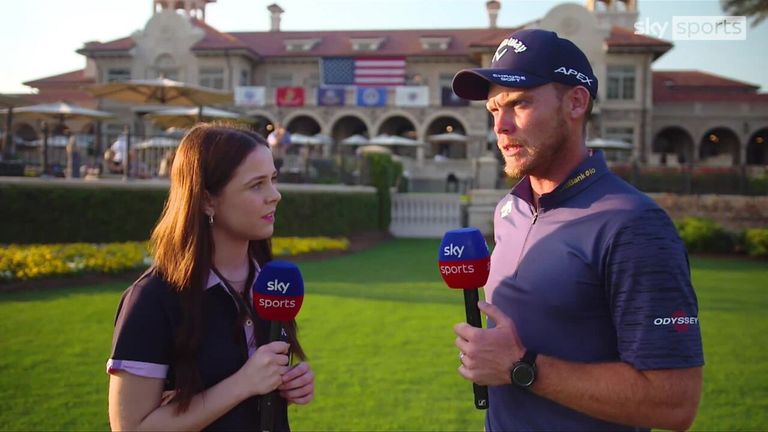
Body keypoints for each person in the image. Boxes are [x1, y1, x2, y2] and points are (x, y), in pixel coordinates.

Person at [450, 29, 703, 431]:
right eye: (494, 110)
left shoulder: (634, 224)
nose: (501, 126)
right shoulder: (508, 210)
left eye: (519, 104)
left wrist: (521, 366)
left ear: (575, 102)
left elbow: (674, 402)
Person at [107, 124, 315, 431]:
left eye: (272, 180)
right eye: (256, 185)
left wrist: (287, 383)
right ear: (206, 200)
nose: (275, 195)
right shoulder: (153, 299)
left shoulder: (271, 284)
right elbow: (131, 428)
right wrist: (242, 384)